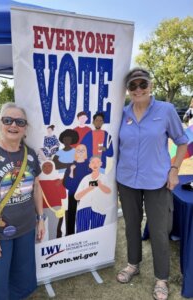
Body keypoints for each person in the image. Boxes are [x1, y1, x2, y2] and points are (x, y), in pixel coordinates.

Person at [115, 68, 188, 300]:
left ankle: (161, 278)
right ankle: (133, 264)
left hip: (157, 181)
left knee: (158, 230)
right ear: (128, 89)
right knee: (131, 225)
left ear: (150, 86)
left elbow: (182, 142)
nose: (138, 89)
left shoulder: (165, 110)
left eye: (142, 84)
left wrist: (174, 170)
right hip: (126, 180)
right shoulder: (122, 113)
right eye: (133, 86)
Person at [0, 102, 45, 300]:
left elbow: (37, 188)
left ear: (25, 127)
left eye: (19, 122)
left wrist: (41, 219)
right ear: (0, 123)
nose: (14, 125)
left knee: (23, 275)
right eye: (8, 120)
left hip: (27, 227)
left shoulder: (30, 154)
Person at [74, 155, 112, 232]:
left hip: (100, 209)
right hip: (84, 209)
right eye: (93, 162)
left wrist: (100, 185)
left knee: (97, 232)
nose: (95, 164)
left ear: (101, 164)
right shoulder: (85, 179)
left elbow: (109, 191)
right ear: (89, 165)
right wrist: (89, 189)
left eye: (97, 162)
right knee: (81, 232)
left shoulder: (104, 178)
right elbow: (77, 197)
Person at [63, 144, 90, 235]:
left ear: (86, 152)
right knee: (71, 216)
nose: (81, 152)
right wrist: (71, 171)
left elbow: (92, 181)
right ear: (75, 153)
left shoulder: (89, 165)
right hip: (73, 195)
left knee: (85, 217)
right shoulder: (71, 165)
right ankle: (70, 235)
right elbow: (67, 184)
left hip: (86, 196)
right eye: (78, 150)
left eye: (83, 150)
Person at [39, 160, 67, 239]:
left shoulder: (58, 180)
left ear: (53, 167)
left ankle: (53, 246)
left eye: (49, 166)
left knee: (54, 229)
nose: (47, 168)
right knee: (38, 228)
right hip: (41, 209)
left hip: (55, 208)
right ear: (41, 168)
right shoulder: (38, 182)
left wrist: (60, 185)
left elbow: (63, 196)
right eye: (44, 166)